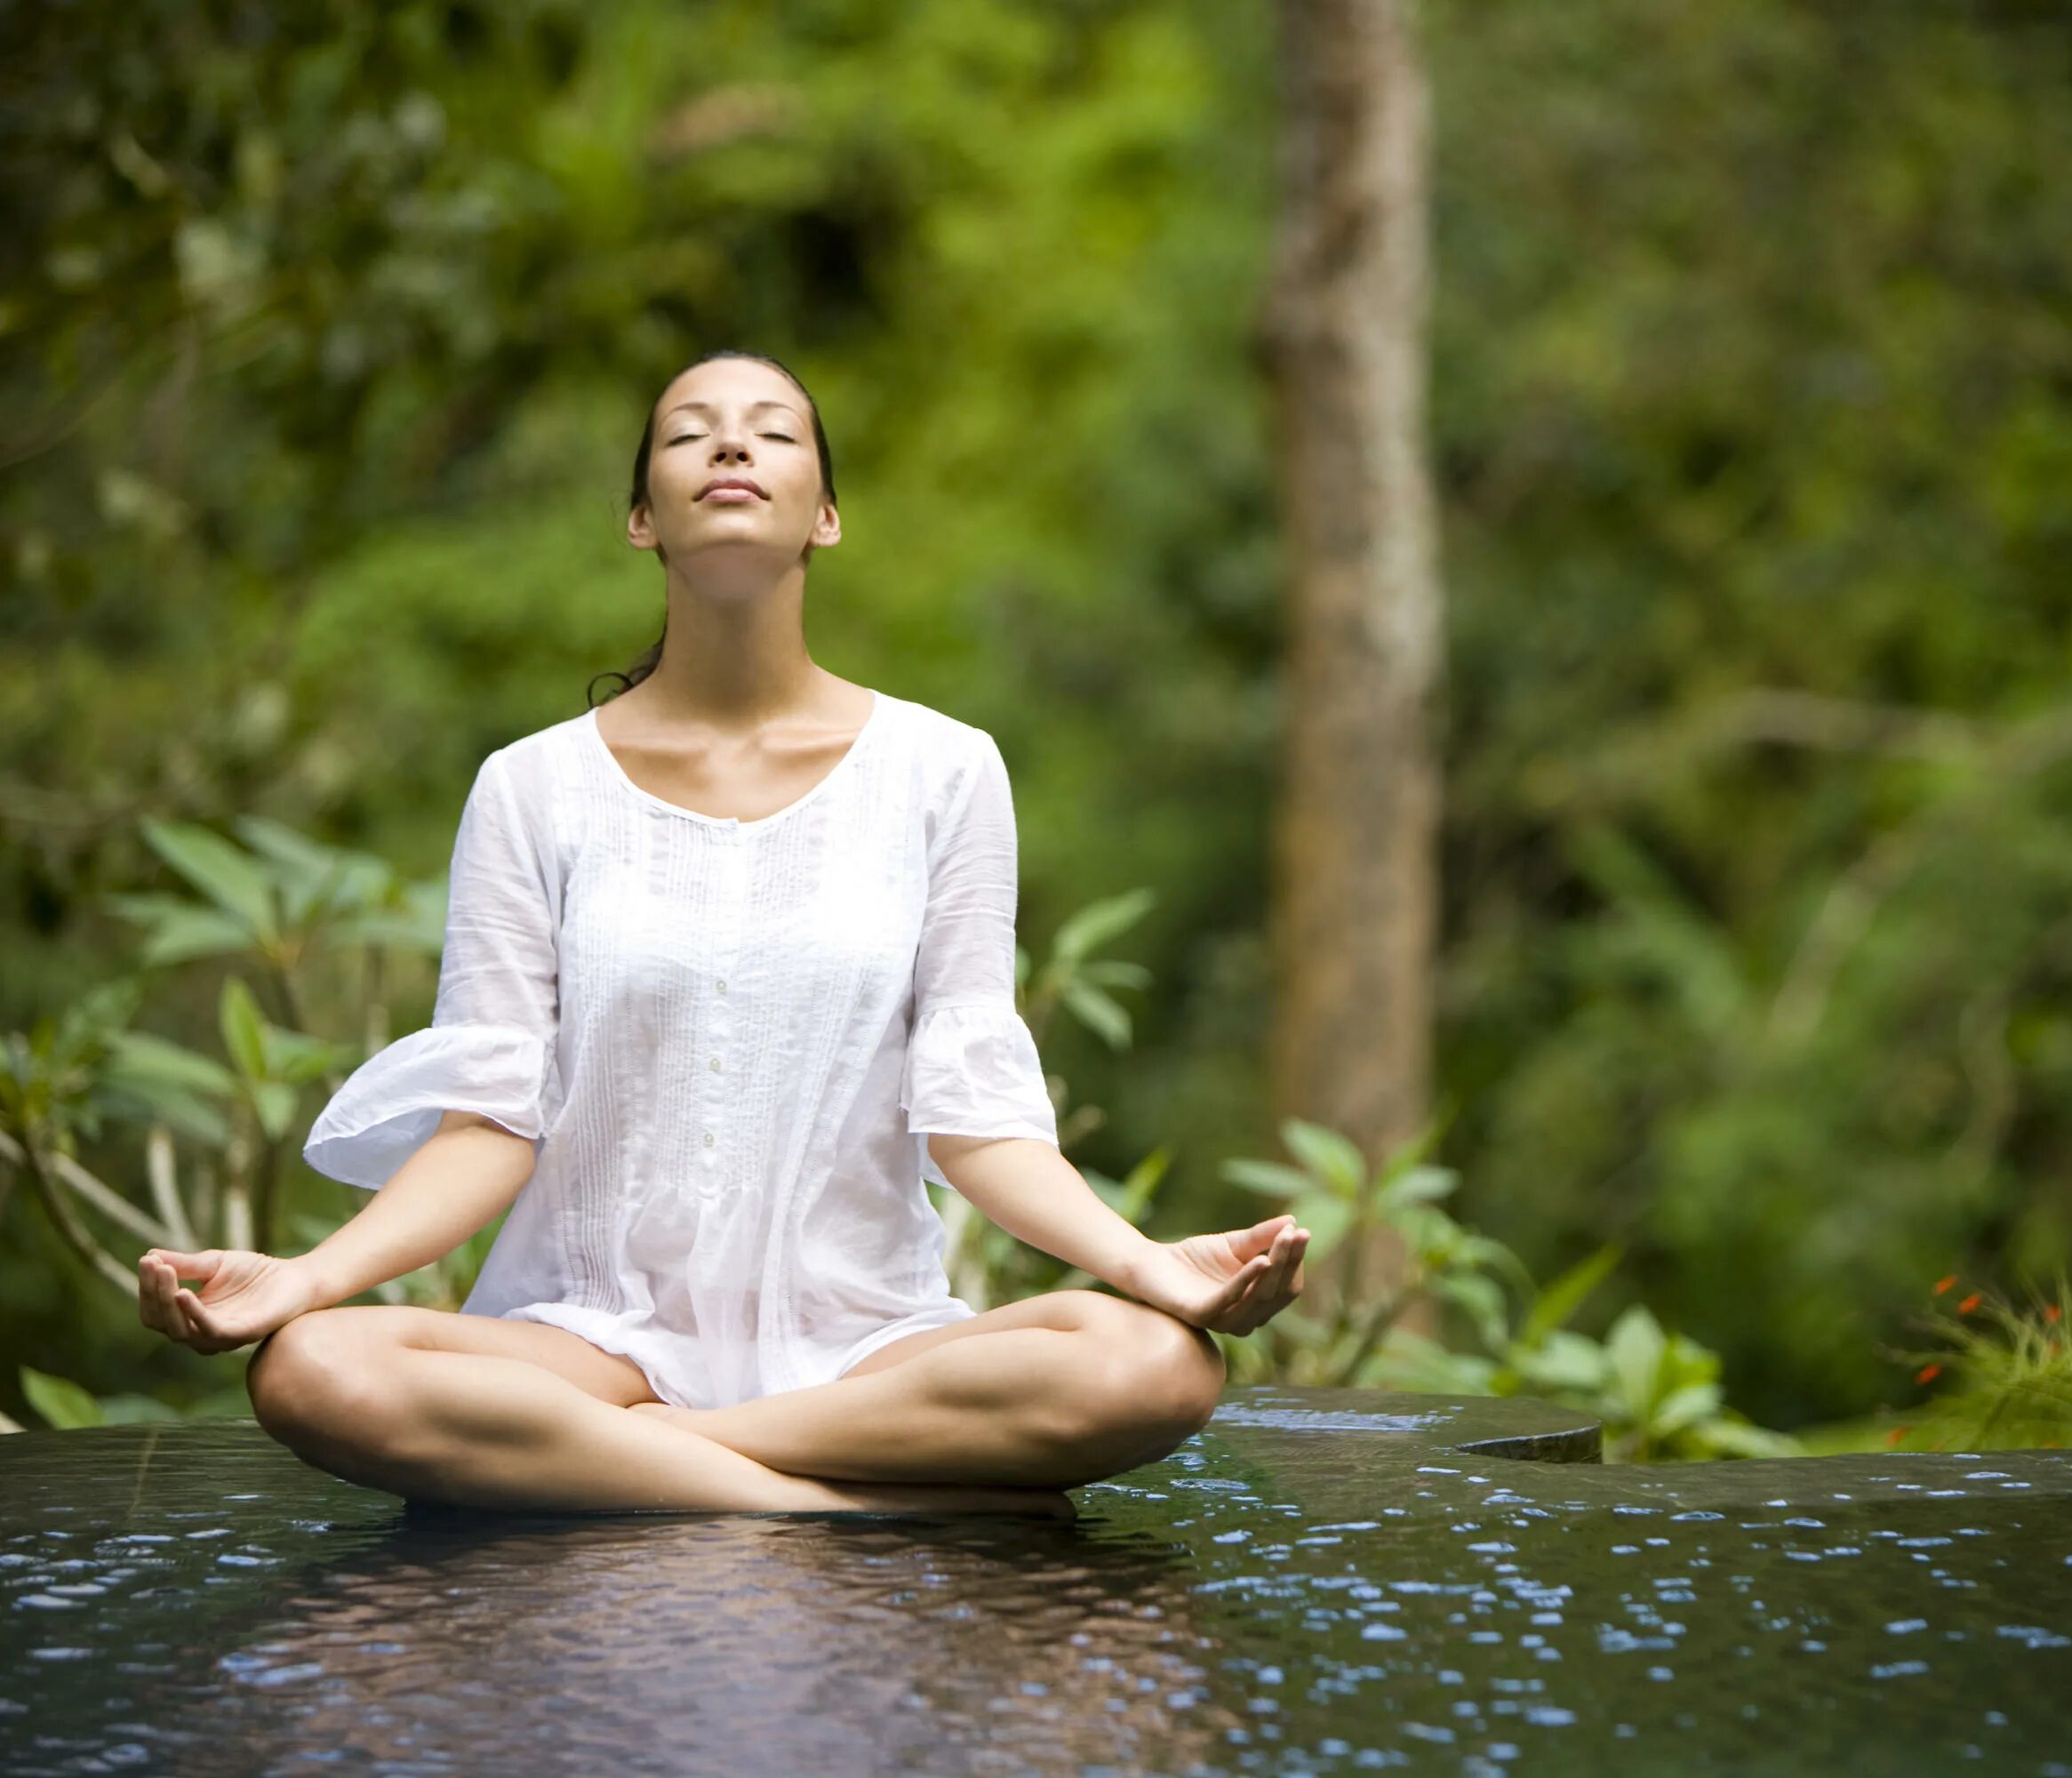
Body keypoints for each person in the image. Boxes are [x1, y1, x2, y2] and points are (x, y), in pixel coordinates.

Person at [133, 349, 1310, 1516]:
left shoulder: (946, 772)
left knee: (1152, 1364)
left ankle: (657, 1461)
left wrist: (1151, 1266)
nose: (732, 445)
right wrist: (306, 1279)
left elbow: (975, 1119)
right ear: (643, 517)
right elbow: (487, 1123)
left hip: (865, 1348)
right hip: (586, 1341)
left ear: (827, 516)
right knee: (311, 1367)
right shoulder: (531, 787)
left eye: (773, 431)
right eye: (691, 431)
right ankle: (831, 1508)